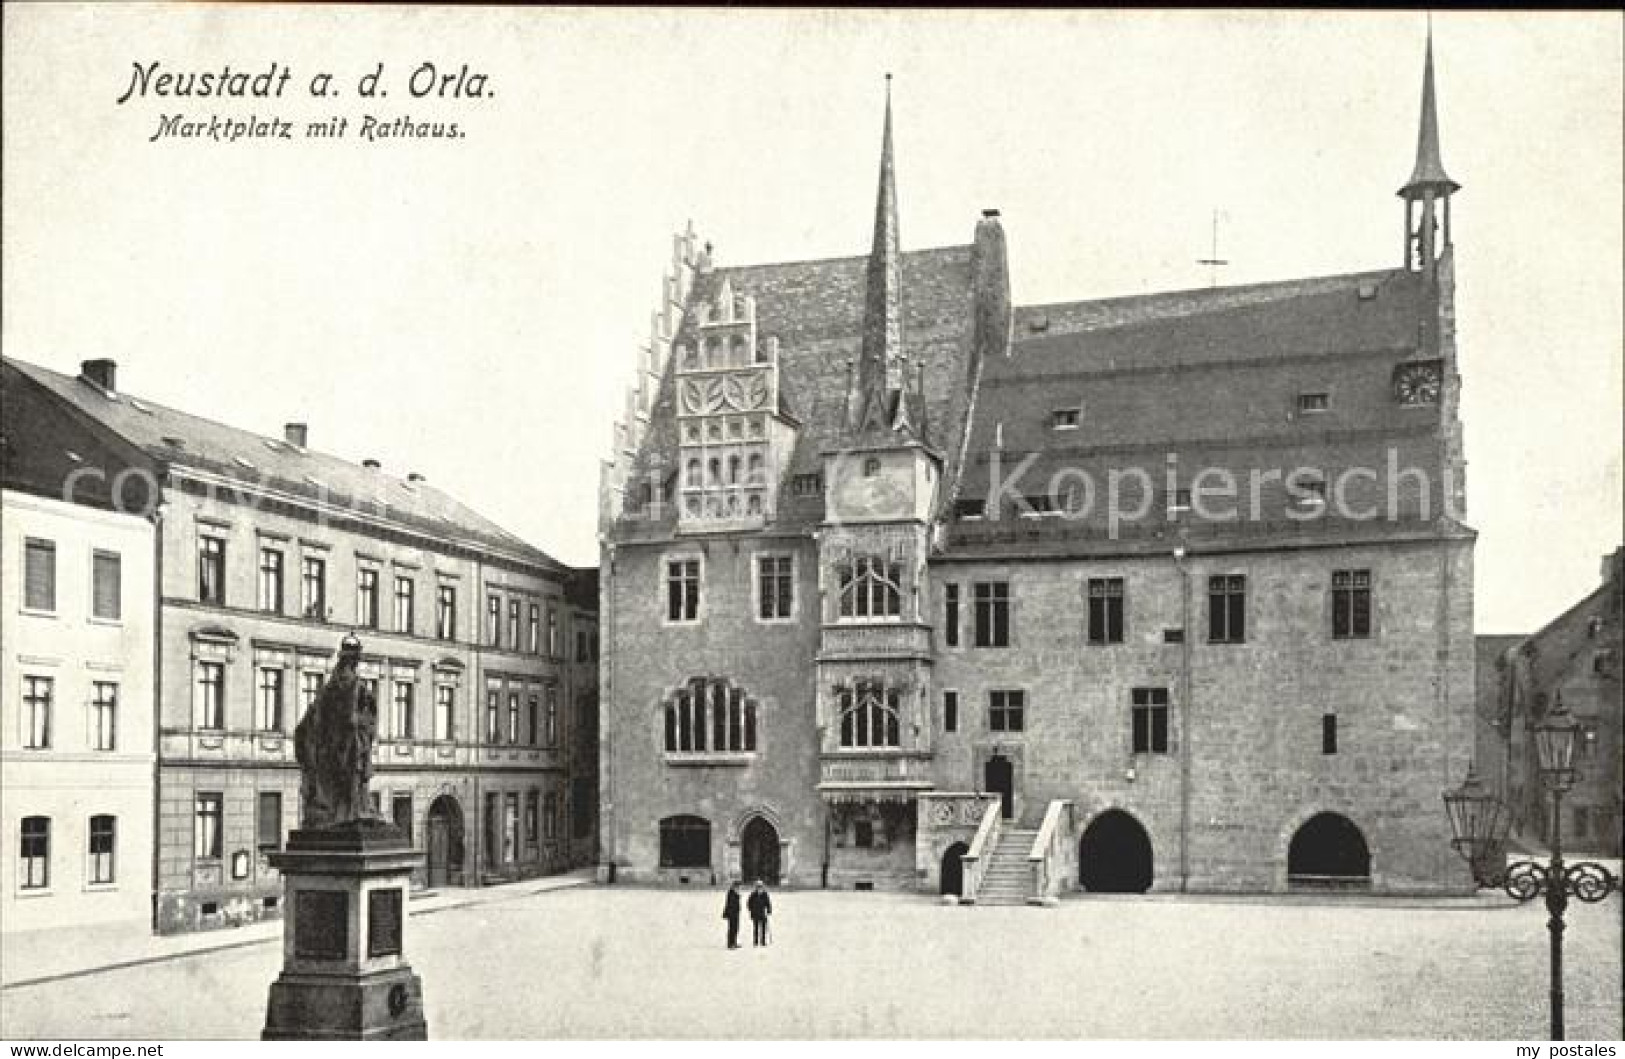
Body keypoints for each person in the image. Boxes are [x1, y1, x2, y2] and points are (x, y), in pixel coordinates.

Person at [746, 879, 772, 946]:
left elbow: (768, 903)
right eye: (758, 886)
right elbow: (749, 903)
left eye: (760, 886)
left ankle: (763, 941)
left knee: (763, 928)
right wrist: (751, 909)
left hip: (763, 913)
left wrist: (769, 910)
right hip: (755, 913)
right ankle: (755, 941)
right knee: (756, 928)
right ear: (756, 887)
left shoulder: (765, 894)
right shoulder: (753, 894)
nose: (759, 888)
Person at [721, 881, 742, 949]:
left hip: (735, 913)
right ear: (734, 886)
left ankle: (734, 942)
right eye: (738, 887)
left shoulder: (735, 893)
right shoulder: (731, 893)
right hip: (731, 913)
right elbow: (730, 904)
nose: (739, 888)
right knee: (732, 929)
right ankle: (730, 944)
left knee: (736, 928)